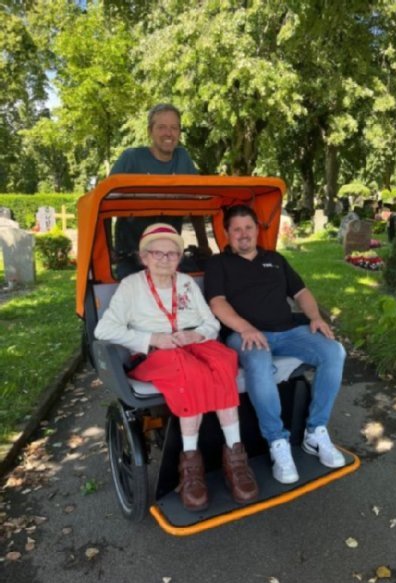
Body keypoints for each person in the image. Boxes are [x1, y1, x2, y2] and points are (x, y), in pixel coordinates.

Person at [95, 222, 258, 511]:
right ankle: (191, 465)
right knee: (190, 372)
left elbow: (211, 323)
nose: (164, 259)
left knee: (224, 360)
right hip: (154, 353)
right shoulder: (131, 286)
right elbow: (104, 330)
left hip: (191, 343)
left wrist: (197, 334)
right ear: (144, 257)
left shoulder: (185, 283)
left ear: (179, 258)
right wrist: (150, 338)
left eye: (172, 254)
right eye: (157, 253)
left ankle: (235, 460)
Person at [204, 204, 346, 485]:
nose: (243, 234)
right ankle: (277, 443)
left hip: (289, 330)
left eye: (249, 228)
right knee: (258, 362)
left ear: (257, 230)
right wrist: (246, 328)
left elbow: (301, 291)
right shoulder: (218, 264)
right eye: (237, 229)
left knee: (334, 350)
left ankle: (315, 432)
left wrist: (315, 317)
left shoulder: (276, 259)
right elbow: (217, 303)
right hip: (245, 335)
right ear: (227, 233)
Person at [110, 103, 210, 279]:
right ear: (150, 131)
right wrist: (106, 249)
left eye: (174, 128)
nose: (168, 133)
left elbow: (196, 206)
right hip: (132, 256)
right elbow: (103, 205)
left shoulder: (183, 158)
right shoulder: (131, 158)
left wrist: (203, 246)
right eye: (162, 127)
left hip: (168, 256)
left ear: (179, 132)